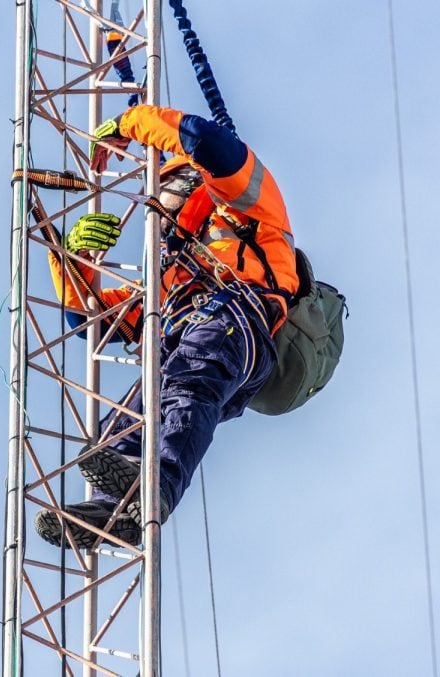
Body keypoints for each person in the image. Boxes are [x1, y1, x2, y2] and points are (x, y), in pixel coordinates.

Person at [34, 104, 299, 548]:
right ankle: (113, 511)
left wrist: (132, 122)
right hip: (195, 332)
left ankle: (159, 487)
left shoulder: (245, 203)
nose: (156, 209)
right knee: (123, 423)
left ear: (194, 182)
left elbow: (203, 138)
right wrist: (73, 259)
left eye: (167, 190)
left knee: (185, 381)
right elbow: (92, 322)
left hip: (239, 317)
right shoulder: (172, 273)